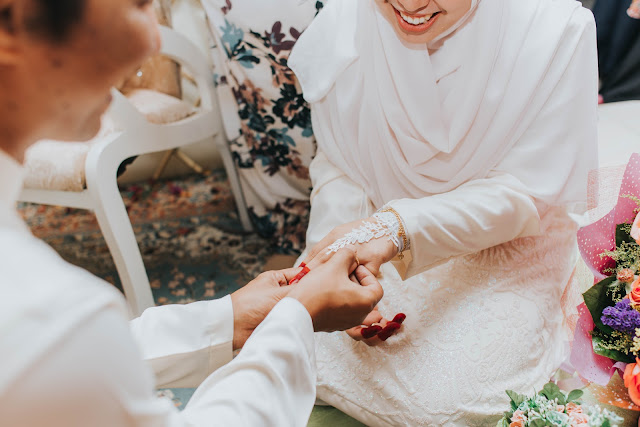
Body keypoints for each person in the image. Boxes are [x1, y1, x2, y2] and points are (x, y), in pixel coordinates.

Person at [0, 0, 384, 426]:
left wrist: (230, 318)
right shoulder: (56, 314)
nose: (155, 41)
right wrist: (297, 317)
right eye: (137, 4)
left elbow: (72, 362)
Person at [288, 0, 599, 424]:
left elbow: (527, 196)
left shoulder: (556, 31)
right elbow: (342, 165)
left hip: (509, 240)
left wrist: (398, 229)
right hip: (373, 237)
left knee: (445, 404)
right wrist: (337, 266)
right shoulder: (346, 20)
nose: (411, 5)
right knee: (289, 346)